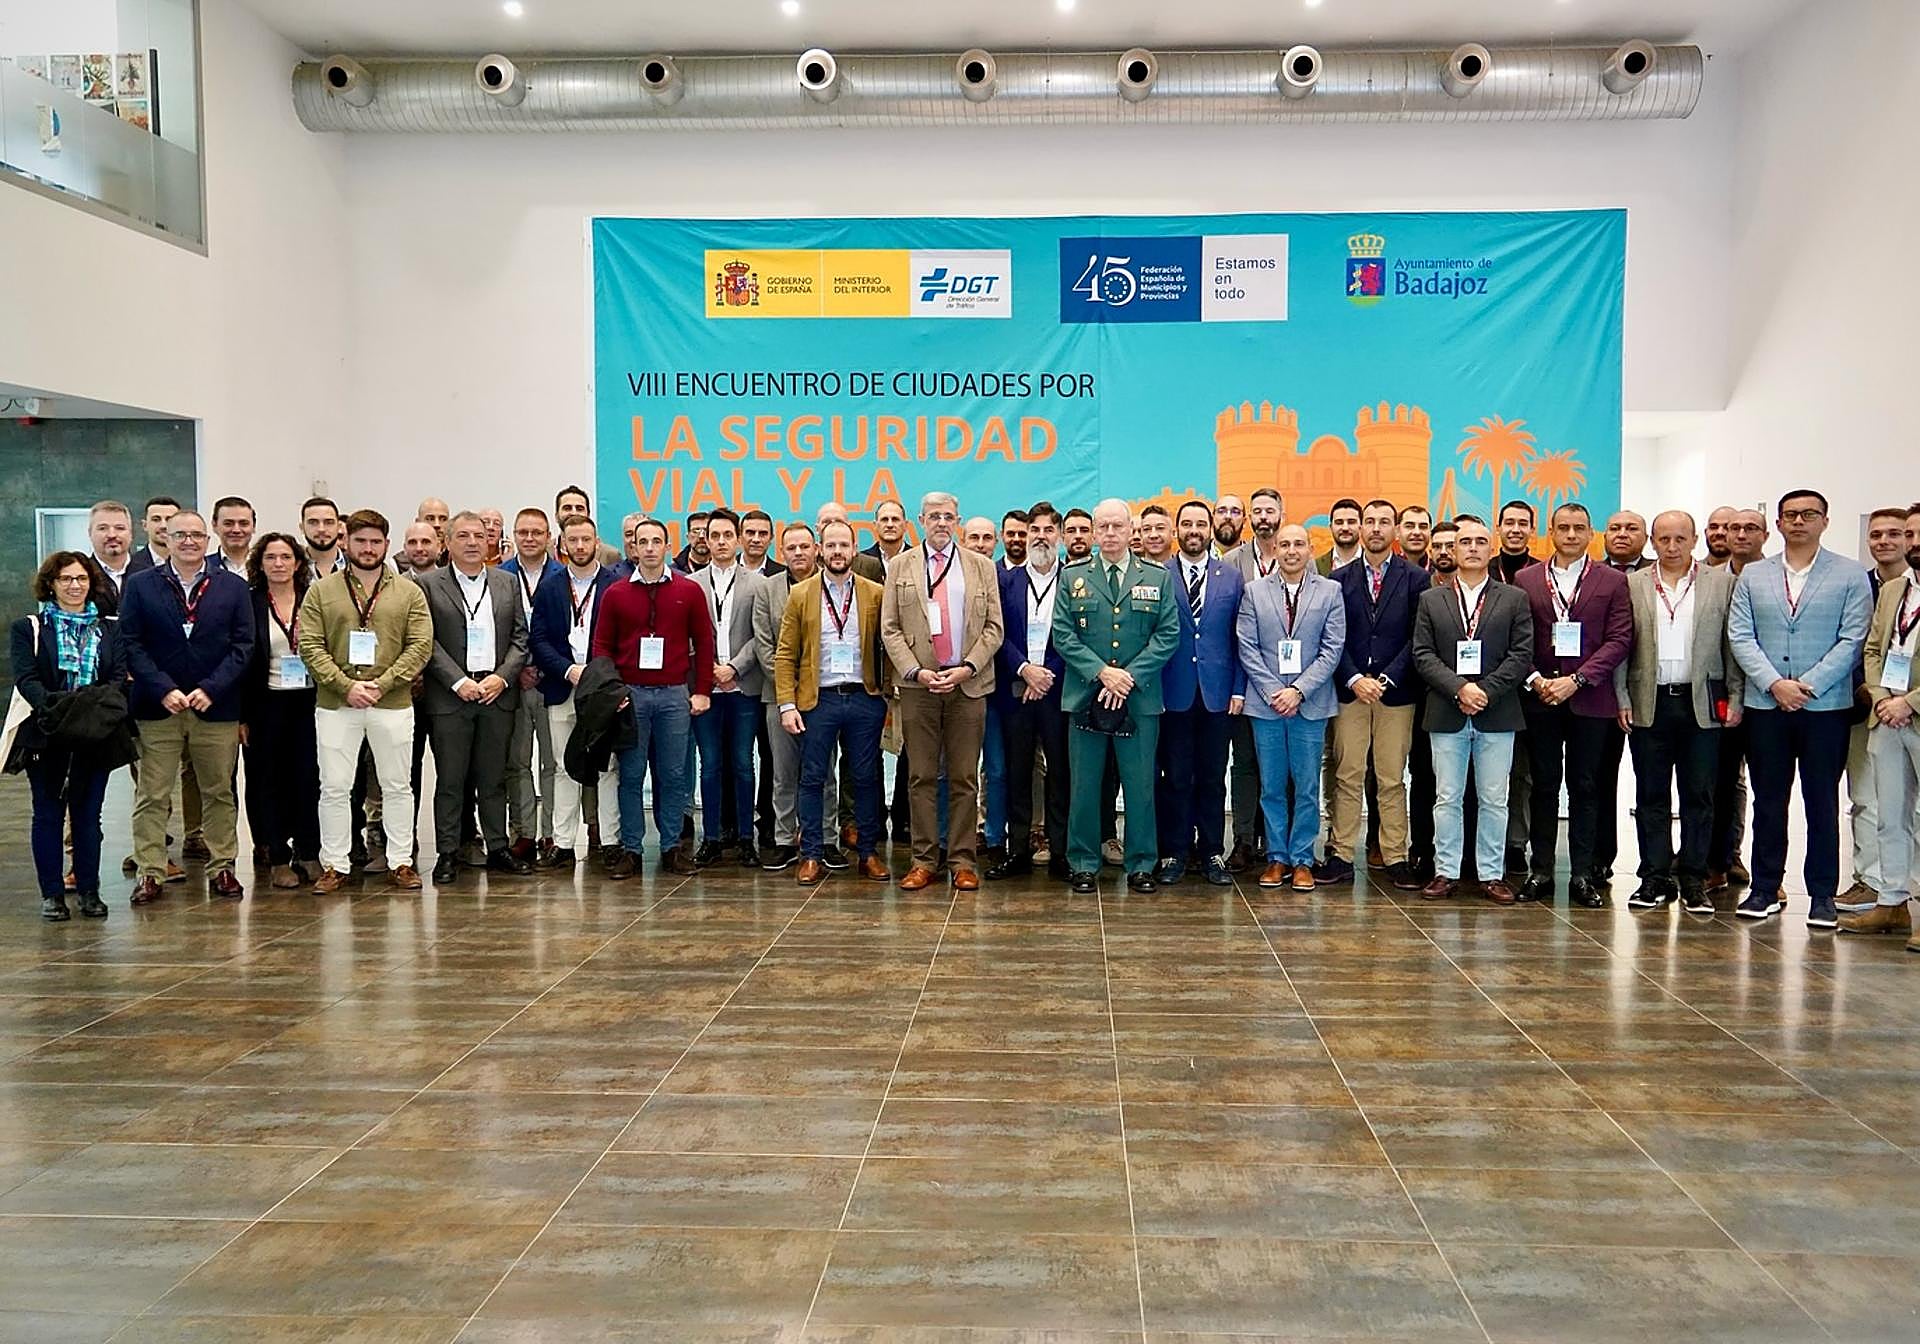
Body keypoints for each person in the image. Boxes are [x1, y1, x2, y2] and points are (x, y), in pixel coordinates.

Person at [1728, 489, 1873, 927]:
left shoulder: (1850, 574)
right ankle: (1764, 888)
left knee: (1821, 802)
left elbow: (1853, 639)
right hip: (1766, 705)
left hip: (1825, 708)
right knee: (1769, 801)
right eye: (1790, 515)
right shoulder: (1754, 576)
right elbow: (1741, 635)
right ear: (1777, 523)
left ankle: (1822, 895)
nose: (1798, 521)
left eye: (1809, 514)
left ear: (1825, 521)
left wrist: (1806, 687)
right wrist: (1774, 684)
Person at [119, 509, 253, 905]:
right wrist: (162, 688)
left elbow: (244, 645)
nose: (189, 541)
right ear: (166, 538)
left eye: (196, 535)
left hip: (216, 707)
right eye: (180, 535)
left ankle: (222, 866)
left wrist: (212, 688)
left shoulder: (232, 587)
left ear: (208, 540)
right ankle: (150, 871)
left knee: (219, 792)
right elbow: (131, 643)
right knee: (152, 794)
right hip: (158, 707)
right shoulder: (141, 585)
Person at [298, 510, 432, 892]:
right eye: (360, 541)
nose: (368, 548)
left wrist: (382, 683)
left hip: (392, 703)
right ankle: (335, 865)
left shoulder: (408, 591)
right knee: (334, 787)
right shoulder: (321, 591)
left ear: (386, 545)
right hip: (337, 704)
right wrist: (346, 687)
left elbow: (420, 645)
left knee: (397, 786)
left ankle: (401, 861)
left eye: (375, 541)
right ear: (345, 542)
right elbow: (310, 645)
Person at [1616, 511, 1743, 914]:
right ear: (1652, 541)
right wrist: (1621, 695)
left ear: (1695, 540)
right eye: (1664, 539)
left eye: (1680, 539)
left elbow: (1732, 645)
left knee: (1699, 794)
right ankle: (1654, 877)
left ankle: (1693, 878)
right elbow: (1621, 643)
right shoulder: (1633, 583)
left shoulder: (1721, 583)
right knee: (1650, 794)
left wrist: (1736, 696)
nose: (1672, 547)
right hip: (1649, 700)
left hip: (1702, 702)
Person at [1053, 497, 1181, 893]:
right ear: (1094, 532)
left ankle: (1141, 863)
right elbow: (1063, 635)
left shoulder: (1157, 577)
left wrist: (1129, 677)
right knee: (1085, 785)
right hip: (1086, 694)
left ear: (1131, 531)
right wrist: (1102, 673)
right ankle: (1083, 862)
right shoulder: (1073, 576)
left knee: (1140, 785)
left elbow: (1168, 634)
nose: (1110, 533)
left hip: (1139, 698)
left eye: (1117, 526)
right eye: (1103, 527)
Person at [1512, 503, 1633, 908]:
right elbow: (1519, 639)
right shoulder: (1527, 578)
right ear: (1551, 532)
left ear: (1590, 533)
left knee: (1586, 787)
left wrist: (1577, 680)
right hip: (1541, 698)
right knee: (1543, 785)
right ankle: (1541, 871)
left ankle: (1582, 874)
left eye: (1579, 528)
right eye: (1563, 528)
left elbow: (1619, 639)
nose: (1570, 535)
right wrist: (1536, 679)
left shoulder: (1612, 581)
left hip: (1591, 700)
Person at [881, 491, 1003, 891]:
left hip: (968, 685)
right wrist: (916, 671)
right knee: (921, 776)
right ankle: (923, 860)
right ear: (920, 520)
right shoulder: (900, 566)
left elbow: (994, 629)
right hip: (919, 686)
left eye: (948, 516)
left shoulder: (980, 567)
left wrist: (968, 667)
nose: (941, 523)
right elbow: (889, 628)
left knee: (965, 777)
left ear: (958, 521)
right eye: (934, 516)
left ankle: (963, 861)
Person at [1411, 516, 1534, 904]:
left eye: (1481, 541)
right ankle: (1446, 871)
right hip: (1446, 710)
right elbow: (1423, 654)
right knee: (1447, 796)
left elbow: (1521, 655)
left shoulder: (1514, 598)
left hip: (1497, 712)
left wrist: (1485, 691)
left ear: (1490, 547)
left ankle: (1491, 874)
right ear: (1453, 549)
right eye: (1465, 542)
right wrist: (1460, 688)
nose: (1473, 548)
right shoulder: (1431, 599)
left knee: (1494, 799)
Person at [8, 552, 130, 920]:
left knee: (88, 815)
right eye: (65, 579)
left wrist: (87, 711)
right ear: (50, 584)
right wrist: (58, 709)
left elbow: (117, 677)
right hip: (47, 732)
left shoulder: (110, 628)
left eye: (81, 578)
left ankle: (89, 891)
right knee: (47, 815)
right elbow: (26, 678)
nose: (74, 586)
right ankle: (52, 894)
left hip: (95, 733)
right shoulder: (28, 628)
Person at [593, 517, 713, 877]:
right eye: (641, 541)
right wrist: (611, 693)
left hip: (674, 695)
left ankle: (672, 847)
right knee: (631, 775)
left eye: (655, 541)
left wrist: (702, 691)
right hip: (631, 696)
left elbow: (704, 643)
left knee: (674, 775)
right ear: (633, 547)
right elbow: (602, 647)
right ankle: (631, 849)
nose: (648, 548)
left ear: (666, 546)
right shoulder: (615, 593)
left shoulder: (688, 590)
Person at [777, 518, 894, 885]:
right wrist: (787, 704)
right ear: (819, 550)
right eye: (830, 545)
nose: (837, 551)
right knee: (812, 777)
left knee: (865, 778)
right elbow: (785, 653)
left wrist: (888, 695)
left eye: (844, 545)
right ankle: (811, 854)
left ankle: (868, 853)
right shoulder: (801, 594)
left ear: (854, 550)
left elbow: (889, 645)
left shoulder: (875, 593)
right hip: (818, 701)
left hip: (864, 698)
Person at [416, 511, 531, 883]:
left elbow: (520, 638)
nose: (472, 542)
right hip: (451, 698)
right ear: (447, 542)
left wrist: (502, 677)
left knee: (493, 779)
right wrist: (457, 681)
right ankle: (448, 852)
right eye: (463, 535)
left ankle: (497, 847)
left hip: (496, 695)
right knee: (451, 781)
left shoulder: (506, 582)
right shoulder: (428, 585)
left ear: (489, 541)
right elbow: (426, 641)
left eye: (479, 536)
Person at [1326, 498, 1431, 889]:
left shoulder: (1416, 578)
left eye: (1384, 521)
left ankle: (1395, 857)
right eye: (1369, 521)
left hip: (1395, 694)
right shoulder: (1338, 579)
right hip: (1351, 693)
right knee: (1347, 774)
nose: (1375, 528)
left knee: (1390, 778)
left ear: (1396, 530)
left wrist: (1386, 678)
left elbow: (1418, 637)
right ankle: (1340, 854)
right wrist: (1355, 677)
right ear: (1361, 527)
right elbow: (1333, 637)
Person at [1239, 524, 1346, 891]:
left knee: (1306, 786)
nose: (1291, 550)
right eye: (1284, 544)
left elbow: (1332, 648)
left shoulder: (1330, 591)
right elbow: (1247, 647)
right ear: (1275, 549)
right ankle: (1276, 857)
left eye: (1299, 544)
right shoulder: (1254, 592)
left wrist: (1298, 691)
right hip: (1267, 704)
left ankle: (1302, 858)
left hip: (1310, 704)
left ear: (1309, 548)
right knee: (1271, 786)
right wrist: (1275, 691)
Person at [1155, 498, 1245, 886]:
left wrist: (1239, 689)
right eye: (1187, 524)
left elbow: (1241, 639)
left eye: (1200, 524)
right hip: (1171, 693)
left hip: (1217, 695)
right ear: (1177, 530)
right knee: (1175, 777)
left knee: (1211, 777)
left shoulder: (1231, 577)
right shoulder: (1159, 575)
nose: (1194, 531)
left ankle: (1211, 852)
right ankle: (1174, 852)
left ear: (1210, 530)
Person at [529, 513, 622, 867]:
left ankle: (611, 841)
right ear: (562, 544)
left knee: (608, 766)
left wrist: (596, 675)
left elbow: (623, 641)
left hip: (601, 691)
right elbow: (538, 639)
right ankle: (563, 844)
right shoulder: (550, 587)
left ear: (597, 542)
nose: (580, 546)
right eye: (573, 540)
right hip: (562, 686)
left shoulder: (616, 585)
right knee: (562, 766)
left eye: (586, 539)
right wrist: (568, 670)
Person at [1846, 503, 1920, 946]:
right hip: (1887, 717)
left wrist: (1909, 702)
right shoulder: (1895, 589)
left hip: (1913, 711)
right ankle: (1892, 902)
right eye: (1910, 535)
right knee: (1889, 814)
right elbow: (1874, 649)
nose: (1913, 543)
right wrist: (1881, 698)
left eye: (1915, 534)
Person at [990, 500, 1072, 881]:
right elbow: (997, 634)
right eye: (1033, 531)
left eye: (1047, 530)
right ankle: (1018, 851)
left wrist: (1046, 675)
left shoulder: (1074, 581)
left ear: (1059, 536)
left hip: (1058, 693)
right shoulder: (1005, 581)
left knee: (1060, 774)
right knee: (1017, 772)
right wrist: (1025, 669)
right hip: (1016, 691)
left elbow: (1077, 637)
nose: (1040, 537)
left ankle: (1060, 852)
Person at [239, 532, 322, 889]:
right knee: (267, 780)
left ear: (298, 563)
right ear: (260, 564)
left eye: (286, 557)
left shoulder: (314, 598)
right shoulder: (249, 602)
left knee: (308, 779)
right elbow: (241, 659)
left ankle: (309, 851)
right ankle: (276, 856)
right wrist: (242, 716)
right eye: (270, 557)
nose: (278, 564)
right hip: (265, 703)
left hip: (310, 702)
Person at [689, 508, 765, 866]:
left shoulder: (758, 584)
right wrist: (709, 673)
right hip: (706, 691)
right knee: (710, 765)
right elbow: (686, 637)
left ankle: (747, 838)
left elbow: (761, 635)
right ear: (705, 540)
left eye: (727, 536)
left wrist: (734, 667)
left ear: (737, 540)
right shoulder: (691, 584)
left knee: (743, 764)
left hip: (742, 688)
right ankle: (712, 838)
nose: (720, 542)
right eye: (714, 536)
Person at [754, 522, 831, 871]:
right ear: (781, 552)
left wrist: (810, 684)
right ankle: (785, 839)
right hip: (778, 695)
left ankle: (826, 838)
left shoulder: (830, 585)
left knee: (823, 771)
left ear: (816, 549)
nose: (798, 553)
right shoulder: (767, 589)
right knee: (783, 772)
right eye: (791, 548)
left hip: (823, 694)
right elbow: (764, 644)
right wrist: (790, 687)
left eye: (804, 546)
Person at [1223, 487, 1287, 869]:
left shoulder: (1296, 556)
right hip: (1245, 681)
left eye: (1270, 511)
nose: (1264, 517)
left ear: (1281, 514)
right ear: (1250, 518)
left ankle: (1278, 841)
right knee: (1245, 762)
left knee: (1282, 767)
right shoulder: (1232, 561)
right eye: (1257, 511)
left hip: (1288, 685)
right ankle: (1244, 840)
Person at [1707, 507, 1771, 890]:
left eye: (1750, 528)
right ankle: (1716, 862)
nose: (1740, 534)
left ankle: (1766, 873)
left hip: (1769, 694)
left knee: (1768, 790)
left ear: (1766, 534)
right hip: (1721, 698)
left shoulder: (1777, 577)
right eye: (1734, 528)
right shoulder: (1710, 580)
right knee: (1720, 782)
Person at [501, 507, 565, 864]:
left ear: (548, 537)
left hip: (551, 681)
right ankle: (524, 832)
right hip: (512, 683)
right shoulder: (500, 576)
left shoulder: (562, 576)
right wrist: (518, 669)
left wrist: (541, 666)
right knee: (517, 761)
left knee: (552, 762)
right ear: (514, 535)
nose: (529, 538)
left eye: (537, 532)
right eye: (523, 532)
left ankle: (552, 832)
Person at [1406, 518, 1459, 882]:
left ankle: (1464, 856)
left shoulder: (1488, 591)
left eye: (1450, 545)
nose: (1443, 552)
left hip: (1475, 696)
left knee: (1466, 784)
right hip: (1425, 695)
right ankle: (1423, 849)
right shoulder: (1418, 586)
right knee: (1424, 776)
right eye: (1437, 546)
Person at [87, 500, 136, 608]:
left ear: (131, 533)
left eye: (120, 528)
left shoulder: (152, 575)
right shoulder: (80, 576)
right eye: (103, 528)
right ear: (90, 533)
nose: (112, 535)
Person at [128, 495, 178, 573]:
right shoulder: (129, 566)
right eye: (156, 519)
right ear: (145, 525)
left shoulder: (193, 563)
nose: (163, 526)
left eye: (169, 519)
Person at [301, 496, 346, 579]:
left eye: (329, 522)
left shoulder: (357, 566)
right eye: (313, 522)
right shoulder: (291, 569)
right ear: (302, 528)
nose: (321, 529)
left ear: (339, 527)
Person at [1316, 498, 1363, 574]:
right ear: (1331, 527)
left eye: (1351, 522)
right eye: (1339, 522)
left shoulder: (1374, 562)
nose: (1345, 528)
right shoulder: (1316, 565)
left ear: (1361, 526)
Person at [210, 496, 256, 574]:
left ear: (254, 526)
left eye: (244, 524)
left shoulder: (266, 566)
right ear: (214, 526)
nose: (236, 530)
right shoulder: (202, 567)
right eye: (228, 523)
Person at [864, 499, 911, 570]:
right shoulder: (862, 561)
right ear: (875, 525)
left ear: (905, 525)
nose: (890, 525)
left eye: (895, 519)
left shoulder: (920, 558)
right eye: (884, 519)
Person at [1397, 505, 1433, 571]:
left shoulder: (1441, 571)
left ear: (1430, 532)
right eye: (1409, 526)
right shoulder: (1385, 571)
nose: (1417, 532)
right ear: (1397, 531)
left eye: (1423, 527)